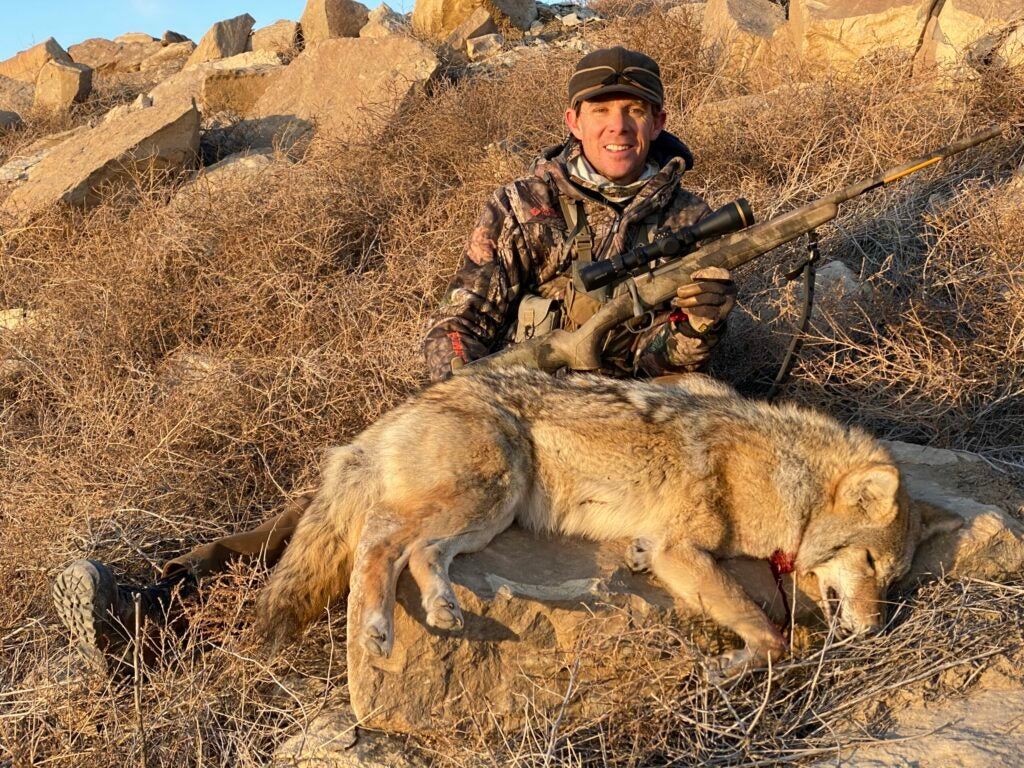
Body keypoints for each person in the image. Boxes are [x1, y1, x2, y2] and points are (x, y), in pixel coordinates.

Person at [52, 46, 737, 672]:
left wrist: (699, 328)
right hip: (506, 416)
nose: (620, 128)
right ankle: (163, 616)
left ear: (659, 120)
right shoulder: (524, 205)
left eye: (636, 112)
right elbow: (456, 330)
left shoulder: (691, 224)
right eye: (603, 112)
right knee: (347, 491)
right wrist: (479, 399)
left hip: (610, 440)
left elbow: (668, 372)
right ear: (573, 120)